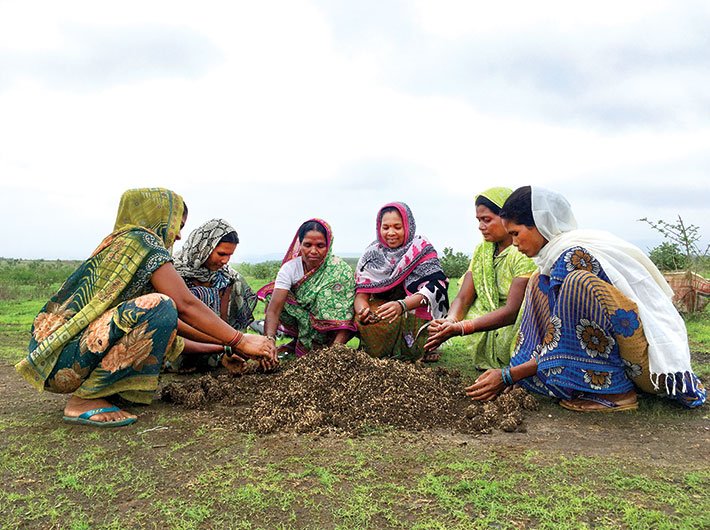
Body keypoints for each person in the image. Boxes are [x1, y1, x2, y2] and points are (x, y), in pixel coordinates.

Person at [16, 188, 275, 427]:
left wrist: (227, 346)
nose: (178, 235)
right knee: (161, 303)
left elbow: (173, 323)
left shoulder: (122, 245)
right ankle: (84, 401)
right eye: (177, 226)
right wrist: (240, 339)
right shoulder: (143, 242)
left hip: (63, 358)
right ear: (158, 218)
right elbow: (183, 305)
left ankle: (105, 391)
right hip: (65, 362)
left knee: (162, 308)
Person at [466, 186, 706, 411]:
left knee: (577, 283)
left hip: (645, 362)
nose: (515, 243)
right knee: (538, 281)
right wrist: (516, 373)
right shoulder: (553, 259)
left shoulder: (572, 257)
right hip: (624, 354)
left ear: (540, 225)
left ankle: (616, 394)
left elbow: (562, 335)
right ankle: (575, 379)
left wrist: (510, 374)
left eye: (516, 233)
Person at [424, 187, 537, 367]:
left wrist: (463, 327)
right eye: (478, 220)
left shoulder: (523, 252)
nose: (480, 226)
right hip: (486, 323)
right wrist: (449, 321)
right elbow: (463, 297)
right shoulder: (482, 250)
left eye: (487, 220)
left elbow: (512, 311)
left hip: (513, 326)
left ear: (507, 218)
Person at [355, 202, 449, 361]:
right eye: (386, 228)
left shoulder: (421, 248)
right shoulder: (372, 254)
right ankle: (382, 350)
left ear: (408, 226)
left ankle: (422, 348)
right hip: (386, 309)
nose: (391, 233)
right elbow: (361, 294)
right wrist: (363, 311)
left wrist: (402, 305)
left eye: (397, 227)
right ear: (379, 228)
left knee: (413, 348)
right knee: (369, 314)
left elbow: (437, 286)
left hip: (413, 308)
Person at [257, 219, 356, 358]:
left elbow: (348, 315)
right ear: (300, 244)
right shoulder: (290, 269)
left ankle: (329, 349)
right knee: (273, 294)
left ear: (329, 245)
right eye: (307, 245)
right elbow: (274, 309)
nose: (313, 251)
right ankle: (300, 342)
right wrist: (268, 342)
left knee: (325, 297)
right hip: (303, 323)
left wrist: (333, 353)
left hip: (334, 334)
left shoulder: (340, 270)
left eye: (320, 245)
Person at [171, 218, 257, 371]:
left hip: (216, 349)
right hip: (176, 346)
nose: (225, 261)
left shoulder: (226, 279)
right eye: (221, 254)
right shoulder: (172, 273)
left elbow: (223, 323)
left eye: (229, 255)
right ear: (204, 248)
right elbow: (174, 322)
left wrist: (228, 348)